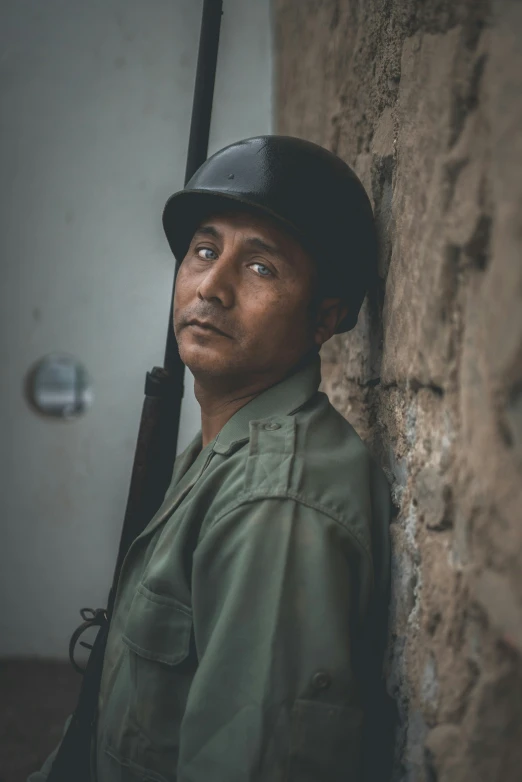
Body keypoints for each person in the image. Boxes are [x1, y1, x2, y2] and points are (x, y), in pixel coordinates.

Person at [31, 136, 391, 782]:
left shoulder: (273, 502)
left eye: (261, 268)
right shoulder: (217, 450)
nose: (212, 287)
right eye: (204, 250)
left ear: (324, 318)